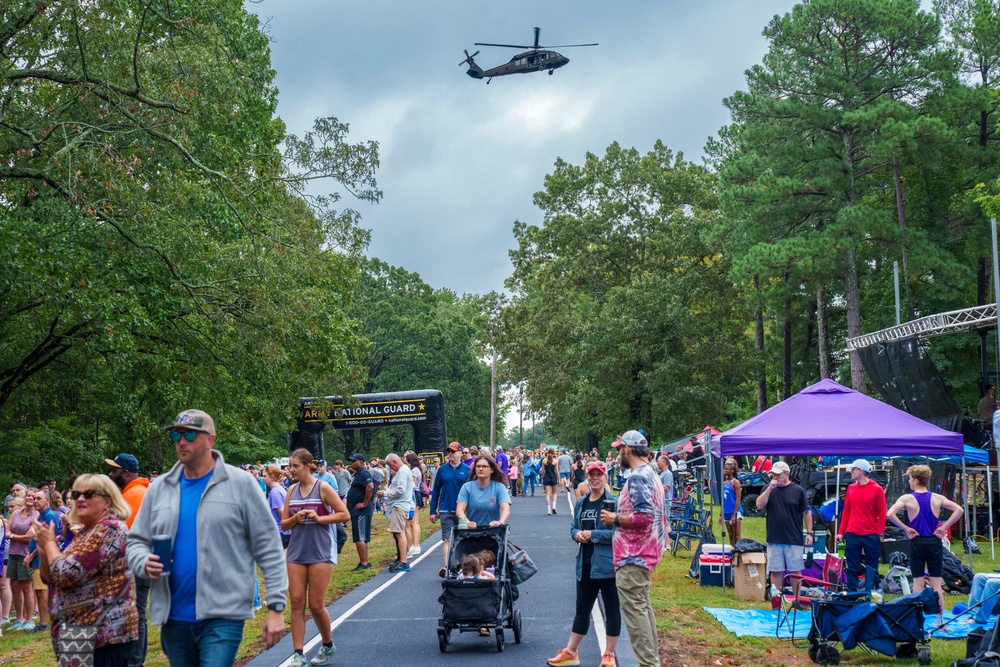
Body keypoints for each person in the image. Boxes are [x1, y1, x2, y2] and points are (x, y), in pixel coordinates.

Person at [126, 408, 288, 666]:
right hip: (173, 615)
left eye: (190, 434)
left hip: (223, 614)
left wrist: (276, 606)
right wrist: (142, 561)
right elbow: (135, 541)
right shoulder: (159, 488)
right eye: (176, 436)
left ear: (210, 439)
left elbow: (268, 545)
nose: (181, 441)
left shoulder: (240, 484)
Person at [34, 474, 138, 665]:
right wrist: (43, 552)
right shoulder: (86, 532)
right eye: (76, 494)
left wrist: (49, 544)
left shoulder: (109, 529)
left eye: (89, 494)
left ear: (108, 500)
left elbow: (67, 573)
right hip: (80, 637)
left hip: (104, 638)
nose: (80, 499)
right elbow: (51, 578)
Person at [600, 431, 667, 667]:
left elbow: (644, 516)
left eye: (619, 449)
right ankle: (651, 661)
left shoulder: (638, 477)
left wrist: (615, 518)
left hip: (634, 555)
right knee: (643, 608)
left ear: (627, 449)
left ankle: (649, 663)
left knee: (636, 612)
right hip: (646, 552)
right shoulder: (652, 473)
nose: (618, 454)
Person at [548, 461, 620, 667]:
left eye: (599, 475)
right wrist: (577, 534)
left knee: (612, 609)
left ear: (605, 477)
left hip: (607, 565)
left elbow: (617, 534)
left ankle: (609, 654)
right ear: (587, 478)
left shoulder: (612, 503)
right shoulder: (582, 503)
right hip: (585, 564)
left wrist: (593, 534)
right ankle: (571, 652)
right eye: (591, 475)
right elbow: (573, 527)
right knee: (582, 609)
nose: (595, 478)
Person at [281, 448, 349, 666]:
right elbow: (283, 524)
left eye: (295, 466)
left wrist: (319, 518)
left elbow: (344, 514)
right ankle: (298, 653)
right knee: (297, 601)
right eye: (290, 466)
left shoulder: (324, 487)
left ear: (308, 466)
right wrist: (296, 518)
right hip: (297, 551)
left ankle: (328, 644)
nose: (291, 470)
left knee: (316, 605)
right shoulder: (291, 490)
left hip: (320, 551)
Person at [886, 464, 963, 619]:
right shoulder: (937, 498)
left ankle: (916, 618)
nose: (908, 482)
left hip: (917, 542)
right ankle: (940, 620)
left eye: (909, 479)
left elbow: (890, 514)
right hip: (934, 542)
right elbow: (959, 510)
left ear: (915, 480)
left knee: (918, 583)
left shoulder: (907, 498)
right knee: (935, 584)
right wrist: (943, 527)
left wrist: (906, 528)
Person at [105, 451, 151, 667]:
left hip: (135, 563)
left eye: (113, 470)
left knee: (136, 613)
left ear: (124, 473)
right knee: (136, 613)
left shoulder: (134, 495)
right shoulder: (133, 491)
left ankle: (134, 662)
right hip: (137, 562)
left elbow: (126, 534)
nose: (110, 473)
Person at [756, 460, 813, 607]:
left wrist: (809, 533)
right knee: (776, 571)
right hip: (774, 537)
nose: (775, 478)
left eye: (778, 475)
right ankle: (776, 602)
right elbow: (759, 505)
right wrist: (769, 488)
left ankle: (797, 600)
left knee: (795, 570)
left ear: (787, 474)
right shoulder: (768, 488)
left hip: (793, 537)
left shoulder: (798, 490)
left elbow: (806, 513)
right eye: (773, 475)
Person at [836, 458, 886, 593]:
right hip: (852, 533)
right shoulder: (851, 488)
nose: (850, 472)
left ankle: (871, 593)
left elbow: (882, 512)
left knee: (872, 566)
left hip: (870, 534)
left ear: (861, 471)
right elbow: (846, 511)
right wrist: (841, 532)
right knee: (852, 566)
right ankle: (852, 593)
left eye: (853, 469)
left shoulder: (877, 489)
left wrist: (879, 532)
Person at [429, 442, 471, 571]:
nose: (450, 454)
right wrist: (432, 511)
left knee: (462, 539)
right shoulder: (442, 470)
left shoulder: (467, 470)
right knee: (447, 539)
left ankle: (461, 565)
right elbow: (436, 490)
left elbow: (471, 491)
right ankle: (448, 567)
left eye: (453, 451)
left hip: (463, 510)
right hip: (446, 509)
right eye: (449, 451)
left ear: (460, 453)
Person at [26, 488, 61, 634]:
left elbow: (48, 539)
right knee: (39, 591)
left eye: (39, 498)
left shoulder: (49, 516)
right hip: (37, 560)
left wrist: (31, 556)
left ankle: (43, 623)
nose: (35, 501)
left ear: (47, 501)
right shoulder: (40, 516)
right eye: (34, 499)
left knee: (42, 591)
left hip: (42, 560)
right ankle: (43, 621)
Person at [377, 453, 414, 573]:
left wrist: (385, 493)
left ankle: (403, 561)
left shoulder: (402, 471)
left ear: (394, 462)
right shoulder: (403, 470)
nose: (390, 468)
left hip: (400, 505)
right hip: (398, 505)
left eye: (389, 465)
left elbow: (401, 490)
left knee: (399, 532)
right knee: (397, 532)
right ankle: (401, 558)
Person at [7, 492, 38, 630]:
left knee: (26, 586)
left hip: (25, 553)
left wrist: (13, 535)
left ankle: (29, 619)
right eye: (28, 495)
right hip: (13, 552)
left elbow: (28, 538)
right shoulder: (16, 513)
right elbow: (7, 532)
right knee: (14, 585)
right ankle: (18, 619)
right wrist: (16, 535)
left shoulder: (36, 515)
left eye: (33, 496)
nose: (30, 498)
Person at [456, 455, 511, 529]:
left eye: (484, 466)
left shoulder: (499, 487)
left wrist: (500, 522)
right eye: (478, 466)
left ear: (492, 470)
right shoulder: (467, 487)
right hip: (471, 532)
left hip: (493, 532)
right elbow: (460, 509)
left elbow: (505, 509)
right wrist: (467, 522)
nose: (481, 469)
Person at [345, 453, 374, 571]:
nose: (352, 463)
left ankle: (364, 563)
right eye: (351, 461)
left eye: (354, 461)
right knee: (363, 536)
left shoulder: (364, 473)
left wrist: (364, 503)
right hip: (359, 511)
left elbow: (370, 487)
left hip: (361, 511)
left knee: (359, 537)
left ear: (361, 462)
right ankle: (365, 561)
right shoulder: (358, 474)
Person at [263, 465, 291, 549]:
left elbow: (282, 513)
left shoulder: (275, 492)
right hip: (283, 531)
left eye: (265, 476)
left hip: (279, 531)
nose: (262, 478)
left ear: (272, 477)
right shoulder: (279, 489)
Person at [405, 452, 424, 559]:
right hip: (416, 494)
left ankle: (416, 545)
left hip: (414, 494)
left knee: (414, 522)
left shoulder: (414, 471)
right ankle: (416, 544)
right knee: (414, 521)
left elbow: (413, 484)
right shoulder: (417, 469)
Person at [722, 458, 742, 548]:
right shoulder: (724, 483)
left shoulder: (736, 482)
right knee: (730, 534)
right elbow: (723, 499)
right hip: (726, 511)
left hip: (735, 511)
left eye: (726, 469)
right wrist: (720, 514)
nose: (724, 470)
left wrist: (734, 514)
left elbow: (738, 499)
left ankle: (739, 553)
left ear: (732, 471)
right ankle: (732, 552)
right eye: (724, 469)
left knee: (737, 535)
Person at [543, 449, 560, 514]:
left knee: (547, 494)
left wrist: (543, 477)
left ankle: (548, 509)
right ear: (553, 453)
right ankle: (554, 506)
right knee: (554, 493)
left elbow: (542, 471)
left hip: (547, 477)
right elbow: (557, 471)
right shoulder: (555, 461)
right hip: (553, 477)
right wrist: (559, 479)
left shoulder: (544, 461)